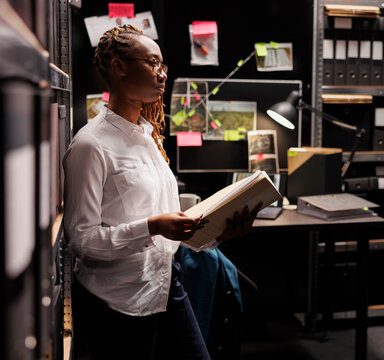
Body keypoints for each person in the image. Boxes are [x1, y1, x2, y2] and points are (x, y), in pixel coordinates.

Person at [63, 24, 260, 360]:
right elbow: (81, 241)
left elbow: (170, 232)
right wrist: (151, 226)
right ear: (119, 68)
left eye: (162, 66)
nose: (162, 74)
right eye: (152, 63)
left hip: (166, 287)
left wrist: (217, 234)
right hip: (117, 303)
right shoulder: (89, 145)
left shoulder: (148, 136)